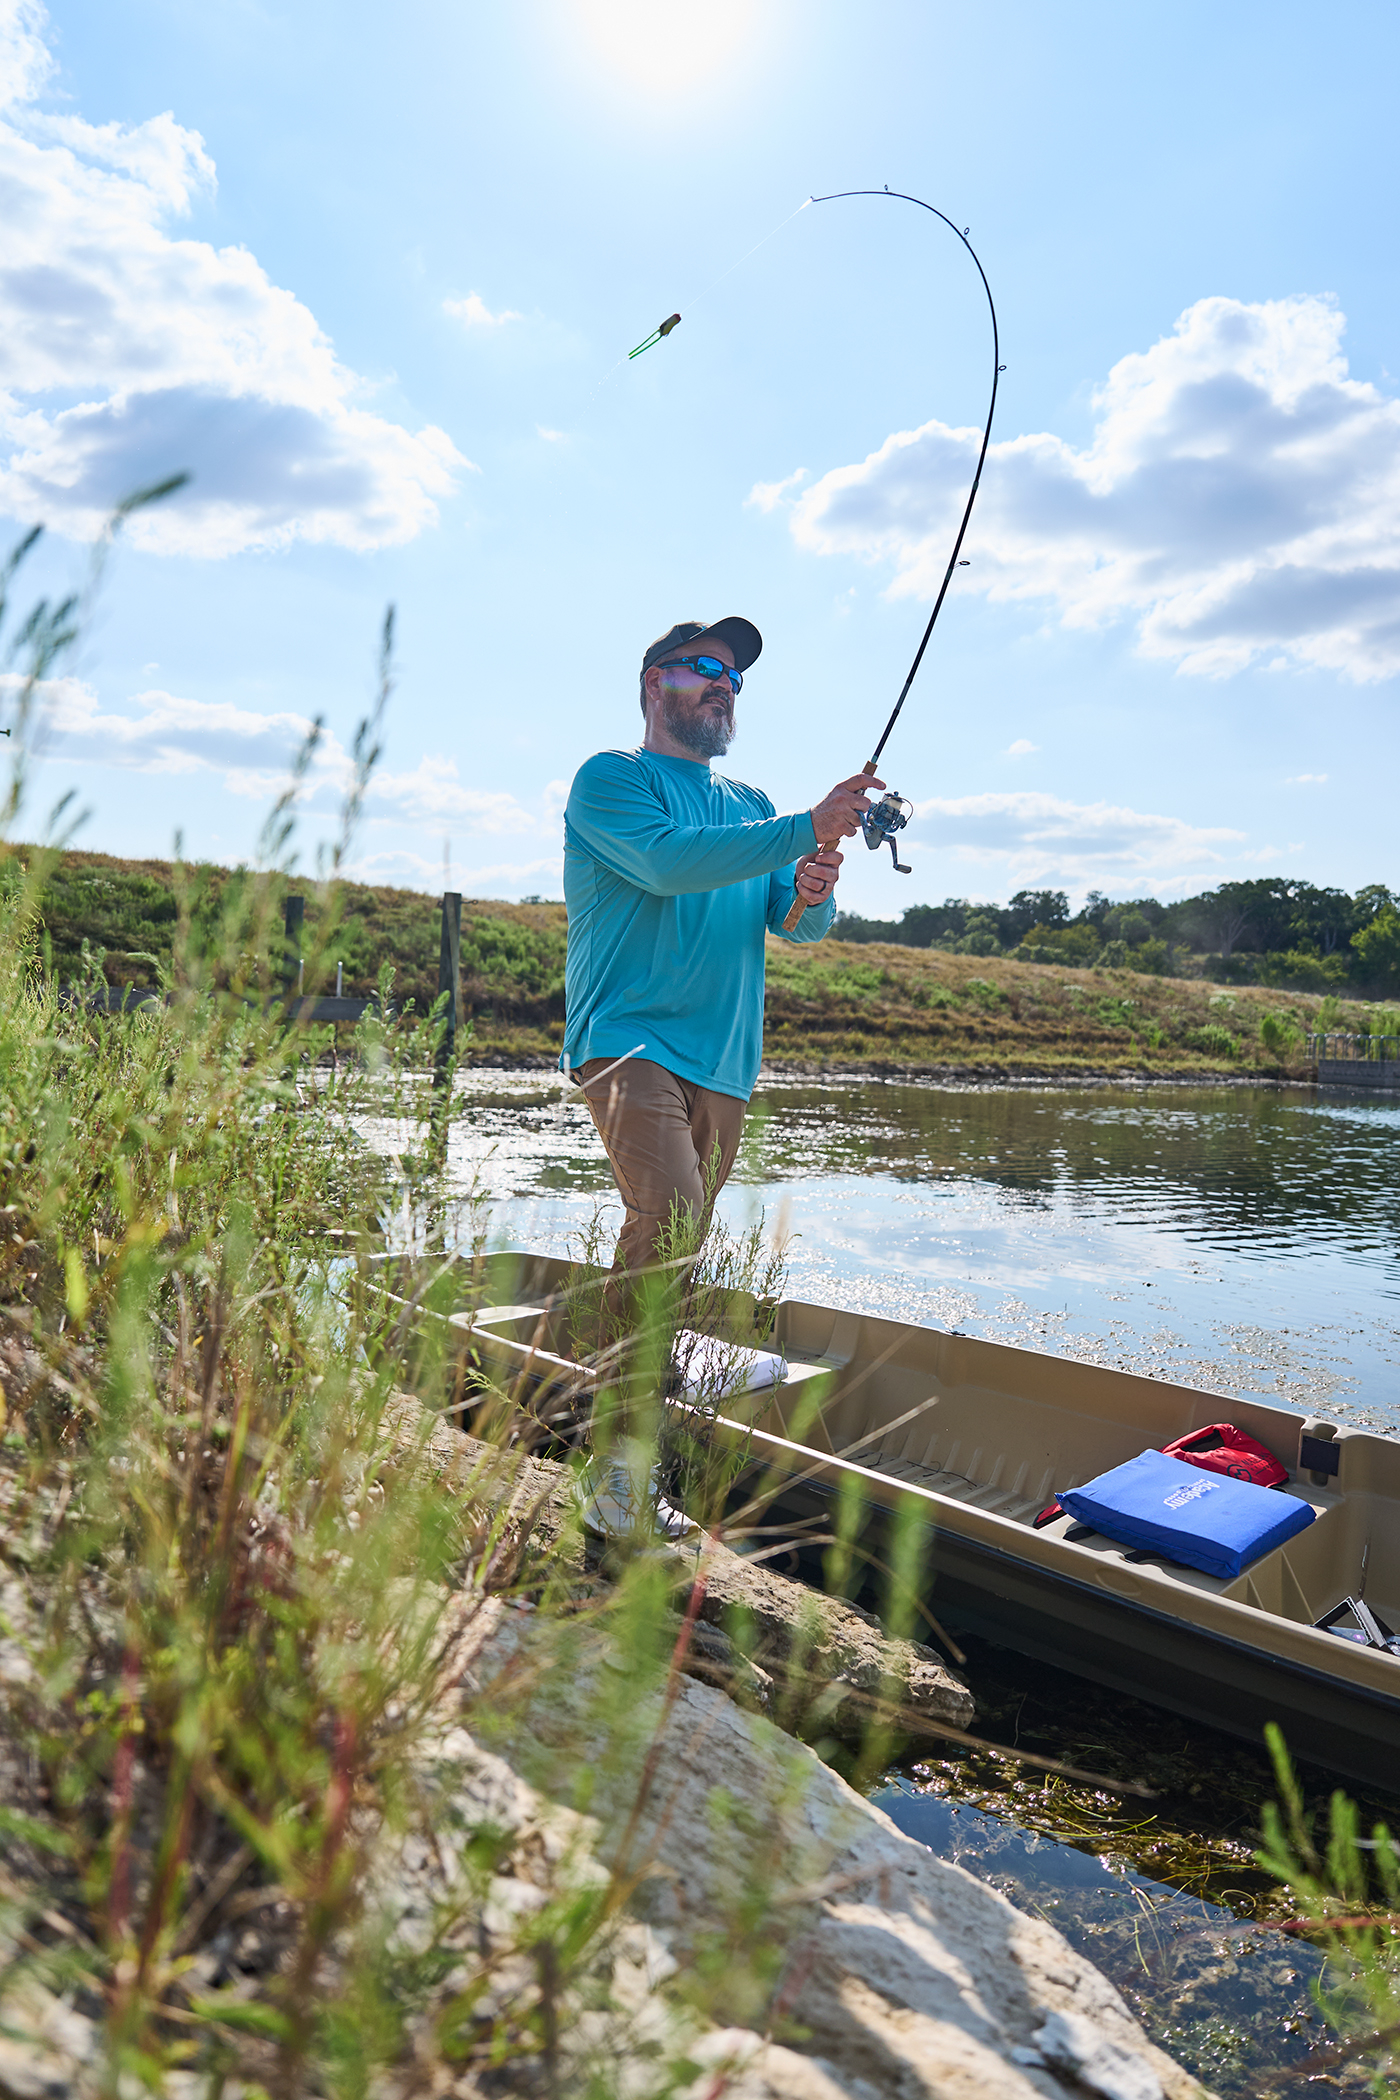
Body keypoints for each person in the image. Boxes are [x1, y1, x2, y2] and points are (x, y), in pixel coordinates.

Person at [561, 615, 883, 1533]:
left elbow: (798, 923)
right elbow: (665, 868)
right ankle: (618, 1474)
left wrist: (816, 875)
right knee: (665, 1224)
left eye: (733, 675)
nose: (723, 683)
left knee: (681, 1242)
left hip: (726, 1062)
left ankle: (635, 1441)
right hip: (626, 1040)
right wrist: (802, 828)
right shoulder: (612, 779)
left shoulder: (752, 805)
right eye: (703, 667)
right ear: (652, 684)